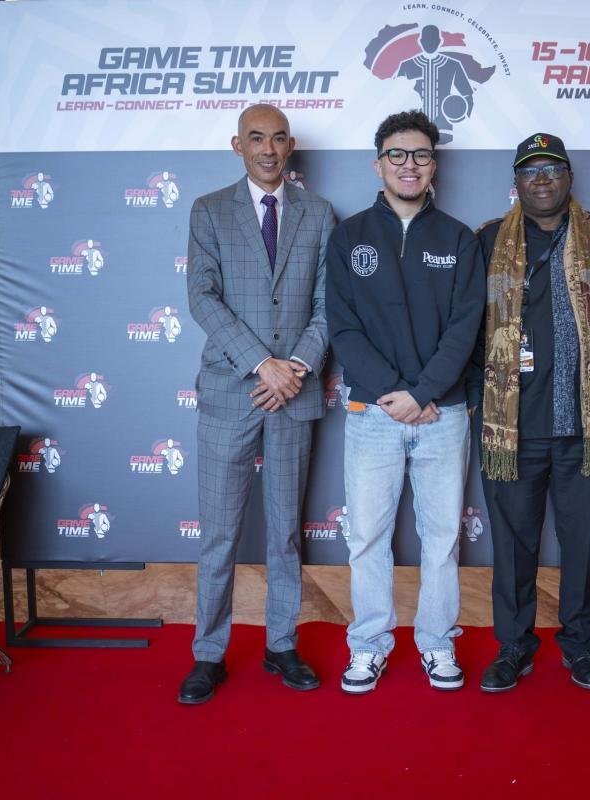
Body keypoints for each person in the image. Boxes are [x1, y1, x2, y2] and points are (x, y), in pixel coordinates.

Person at [178, 104, 335, 704]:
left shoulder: (319, 214)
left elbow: (328, 305)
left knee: (285, 533)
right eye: (256, 139)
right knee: (219, 534)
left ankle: (281, 644)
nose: (268, 149)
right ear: (237, 145)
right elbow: (202, 296)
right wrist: (260, 363)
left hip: (293, 392)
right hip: (231, 390)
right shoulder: (209, 210)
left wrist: (294, 368)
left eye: (278, 139)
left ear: (290, 146)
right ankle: (208, 653)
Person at [326, 110, 485, 694]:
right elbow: (343, 329)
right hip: (373, 415)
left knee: (441, 538)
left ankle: (437, 642)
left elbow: (466, 328)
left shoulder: (459, 239)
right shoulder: (349, 237)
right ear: (379, 164)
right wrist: (396, 395)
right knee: (367, 537)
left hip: (443, 414)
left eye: (420, 154)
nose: (409, 164)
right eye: (397, 154)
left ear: (433, 165)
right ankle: (368, 645)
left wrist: (422, 393)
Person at [469, 133, 590, 692]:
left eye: (552, 168)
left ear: (569, 177)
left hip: (586, 424)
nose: (542, 179)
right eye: (530, 170)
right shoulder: (488, 240)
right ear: (516, 182)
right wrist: (477, 397)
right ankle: (514, 647)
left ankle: (581, 647)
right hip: (512, 426)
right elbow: (467, 326)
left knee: (583, 545)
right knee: (512, 547)